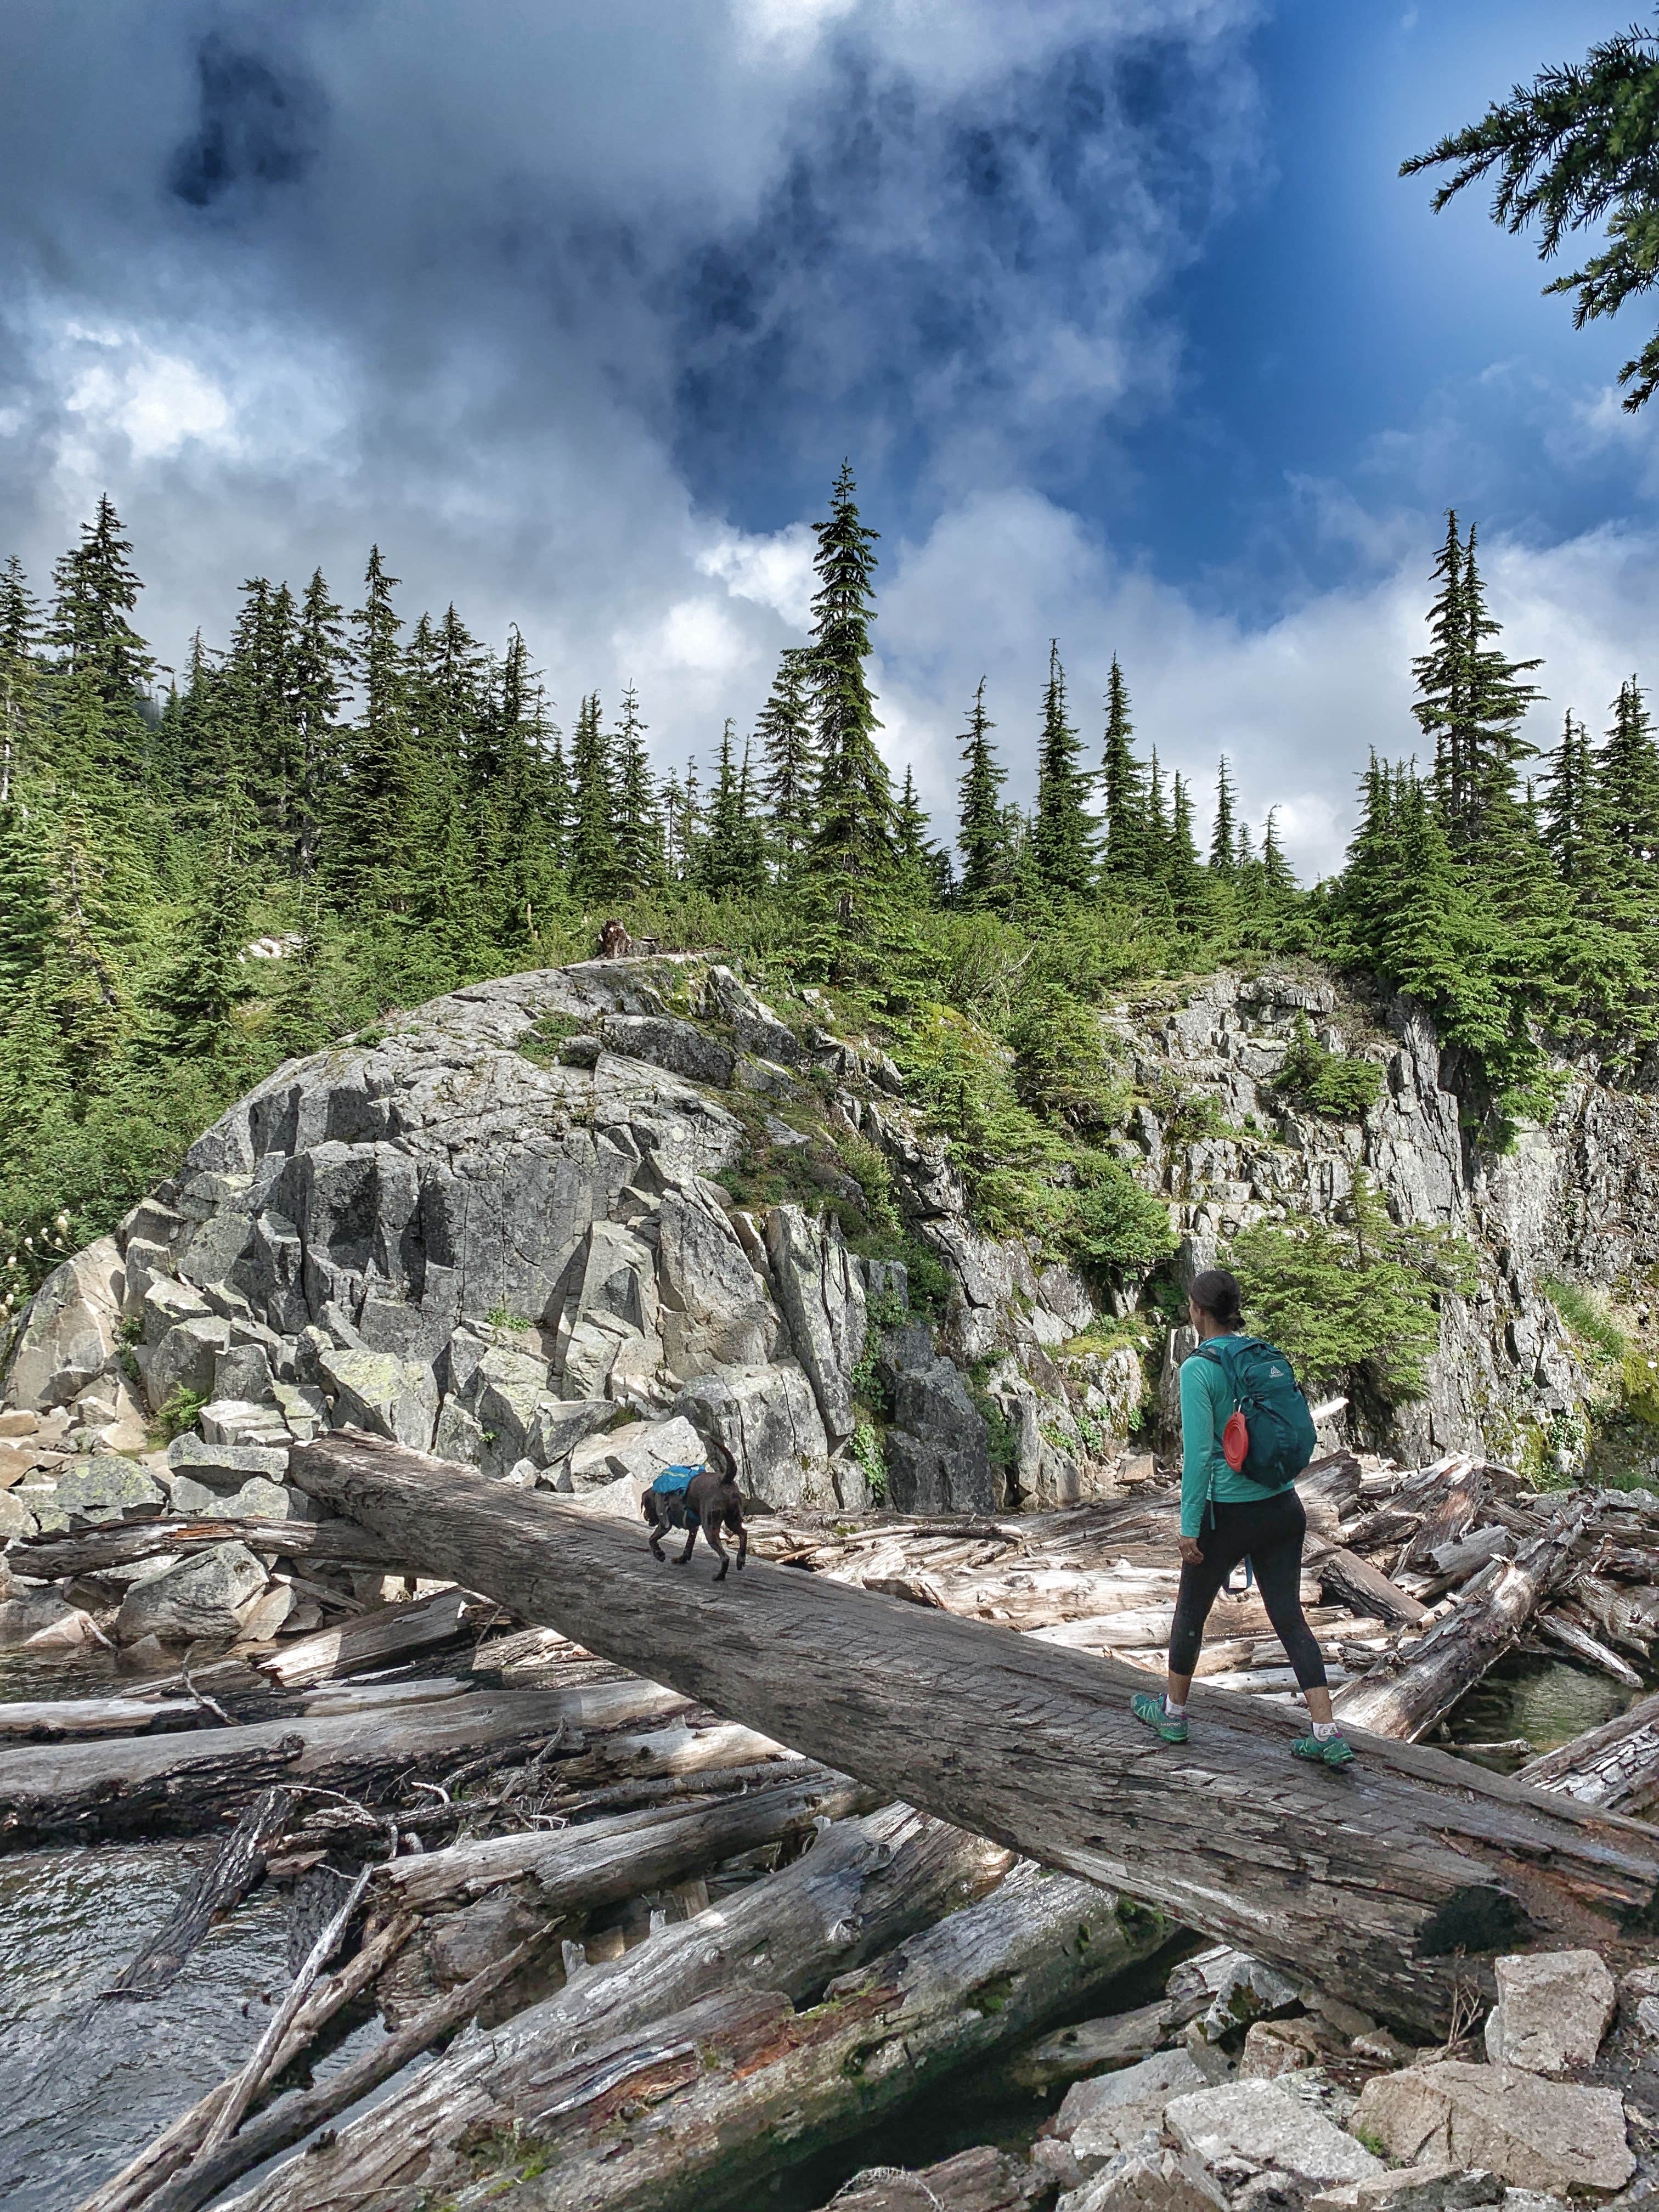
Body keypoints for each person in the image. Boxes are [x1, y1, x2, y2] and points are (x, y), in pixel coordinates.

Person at [1131, 1267, 1356, 1768]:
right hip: (1283, 1507)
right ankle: (1325, 1731)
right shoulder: (1260, 1354)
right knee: (1288, 1615)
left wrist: (1190, 1526)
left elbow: (1198, 1458)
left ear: (1198, 1312)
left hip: (1227, 1514)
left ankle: (1173, 1714)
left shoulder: (1198, 1368)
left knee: (1191, 1610)